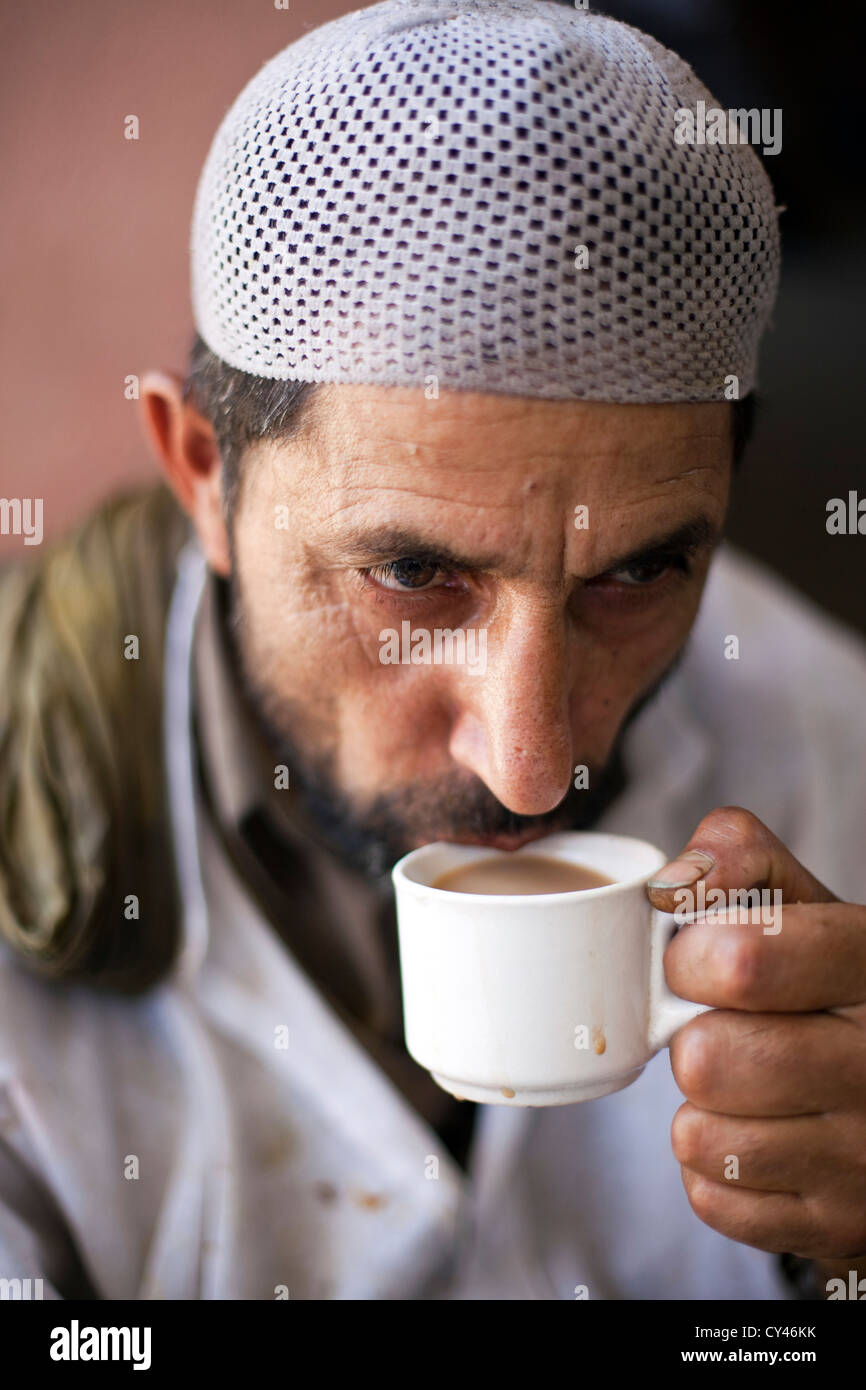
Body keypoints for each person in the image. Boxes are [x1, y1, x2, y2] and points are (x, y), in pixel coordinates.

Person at [1, 0, 864, 1301]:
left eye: (636, 574)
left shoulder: (828, 746)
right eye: (411, 573)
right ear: (202, 476)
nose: (531, 766)